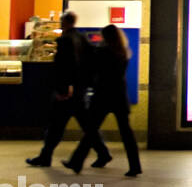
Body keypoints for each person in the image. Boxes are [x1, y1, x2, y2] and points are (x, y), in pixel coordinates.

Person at [63, 25, 142, 176]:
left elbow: (90, 67)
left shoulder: (103, 51)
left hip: (103, 96)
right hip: (119, 96)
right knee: (127, 134)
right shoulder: (123, 52)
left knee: (91, 131)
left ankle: (76, 161)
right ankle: (135, 166)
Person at [27, 11, 92, 168]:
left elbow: (65, 66)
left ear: (65, 22)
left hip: (66, 92)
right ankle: (103, 152)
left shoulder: (65, 40)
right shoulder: (82, 38)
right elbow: (87, 60)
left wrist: (64, 87)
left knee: (56, 125)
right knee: (87, 125)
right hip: (78, 90)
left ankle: (45, 157)